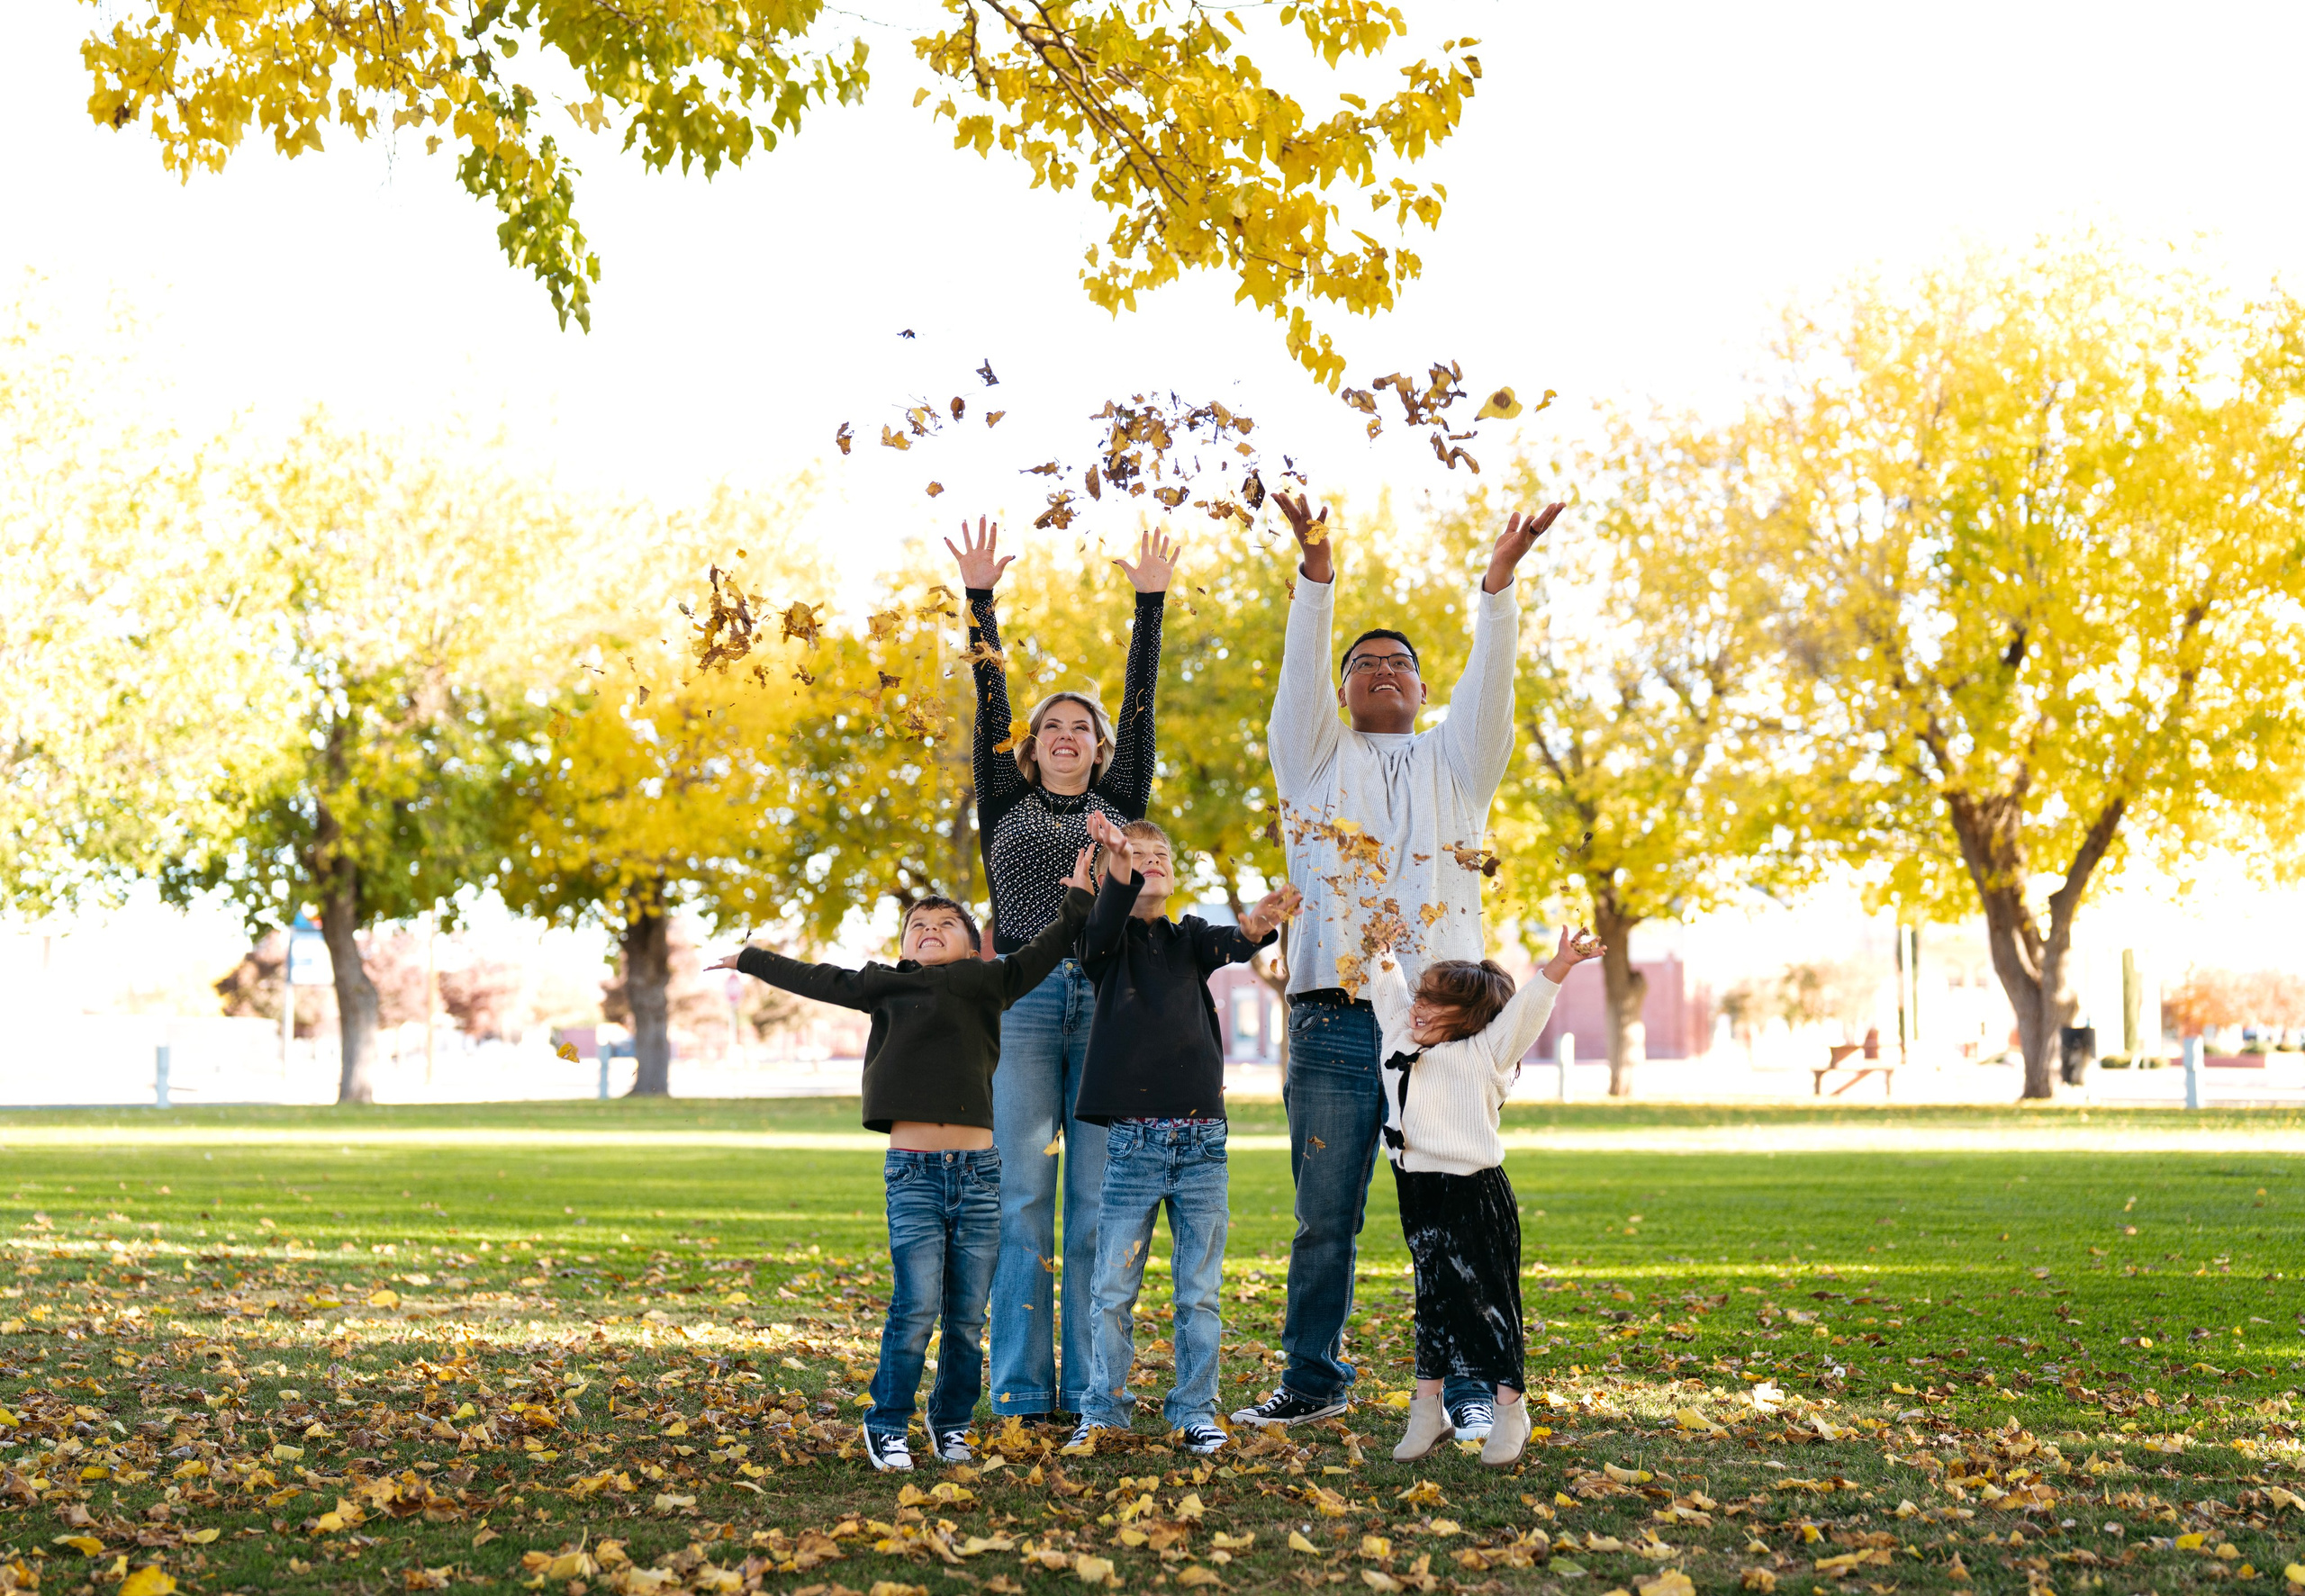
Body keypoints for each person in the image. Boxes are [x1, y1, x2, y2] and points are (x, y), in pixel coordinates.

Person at [1234, 491, 1565, 1438]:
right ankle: (1313, 1378)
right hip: (1335, 1016)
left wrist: (1497, 586)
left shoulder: (1459, 764)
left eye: (1400, 664)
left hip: (1442, 1027)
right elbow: (1300, 671)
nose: (1382, 672)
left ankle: (1467, 1384)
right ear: (1341, 692)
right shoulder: (1309, 761)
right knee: (1323, 1218)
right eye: (1363, 664)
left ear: (1422, 690)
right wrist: (1316, 572)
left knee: (1452, 1212)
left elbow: (1492, 686)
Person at [709, 850, 1094, 1473]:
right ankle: (887, 1423)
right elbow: (818, 977)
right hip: (913, 1173)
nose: (930, 929)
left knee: (966, 1316)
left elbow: (1046, 949)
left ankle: (951, 1423)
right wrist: (750, 959)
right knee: (914, 1306)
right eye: (919, 925)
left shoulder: (989, 982)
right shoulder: (883, 985)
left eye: (946, 924)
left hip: (979, 1175)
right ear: (905, 946)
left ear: (974, 945)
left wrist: (1078, 898)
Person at [950, 515, 1177, 1424]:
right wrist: (980, 598)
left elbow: (1141, 704)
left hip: (1109, 1001)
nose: (1067, 734)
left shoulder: (1120, 798)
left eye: (1081, 726)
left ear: (1100, 747)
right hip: (1024, 998)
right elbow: (989, 700)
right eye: (1052, 725)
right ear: (1033, 743)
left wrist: (1149, 604)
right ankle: (1019, 1390)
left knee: (1093, 1205)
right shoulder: (1003, 796)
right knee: (1020, 1200)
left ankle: (1091, 1390)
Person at [1065, 811, 1298, 1456]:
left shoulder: (1189, 936)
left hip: (1201, 1145)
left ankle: (1194, 1409)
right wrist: (1117, 864)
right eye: (1136, 855)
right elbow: (1100, 925)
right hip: (1133, 1147)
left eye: (1161, 855)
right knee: (1112, 1290)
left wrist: (1258, 924)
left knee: (1199, 1293)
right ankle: (1103, 1411)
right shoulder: (1103, 943)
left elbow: (1235, 942)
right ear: (1111, 873)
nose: (1153, 862)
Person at [1371, 925, 1604, 1467]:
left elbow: (1527, 1010)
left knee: (1489, 1306)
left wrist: (1561, 964)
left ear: (1470, 1016)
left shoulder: (1486, 1051)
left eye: (1436, 1002)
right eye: (1422, 995)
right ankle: (1427, 1412)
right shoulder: (1401, 1034)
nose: (1419, 1007)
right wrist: (1382, 951)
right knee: (1432, 1300)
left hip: (1473, 1193)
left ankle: (1510, 1412)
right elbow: (1389, 989)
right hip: (1417, 1190)